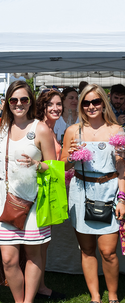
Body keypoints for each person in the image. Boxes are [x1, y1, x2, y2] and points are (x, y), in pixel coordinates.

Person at [61, 84, 125, 303]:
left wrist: (122, 199)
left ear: (103, 103)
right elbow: (62, 166)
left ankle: (113, 297)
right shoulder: (73, 131)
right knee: (87, 250)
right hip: (81, 191)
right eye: (86, 103)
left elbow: (123, 169)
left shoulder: (116, 130)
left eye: (96, 101)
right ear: (81, 105)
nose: (91, 106)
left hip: (109, 191)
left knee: (108, 251)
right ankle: (95, 297)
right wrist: (70, 158)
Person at [0, 80, 56, 303]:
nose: (18, 103)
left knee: (33, 254)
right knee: (9, 260)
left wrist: (37, 164)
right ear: (8, 103)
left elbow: (54, 165)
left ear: (30, 102)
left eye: (23, 99)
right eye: (14, 99)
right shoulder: (2, 129)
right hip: (6, 201)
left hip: (33, 201)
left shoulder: (39, 128)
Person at [35, 88, 66, 300]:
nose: (55, 108)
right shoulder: (40, 128)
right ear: (42, 107)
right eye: (50, 105)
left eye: (58, 104)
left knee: (43, 243)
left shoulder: (53, 129)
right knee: (39, 244)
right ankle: (39, 288)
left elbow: (56, 164)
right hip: (38, 193)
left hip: (50, 191)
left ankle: (39, 285)